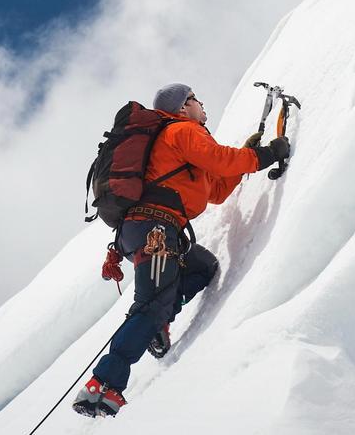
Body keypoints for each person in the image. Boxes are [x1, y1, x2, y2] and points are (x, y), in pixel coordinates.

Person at [73, 83, 290, 417]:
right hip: (155, 231)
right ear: (183, 106)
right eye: (196, 99)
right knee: (149, 305)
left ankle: (157, 326)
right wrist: (266, 154)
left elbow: (215, 190)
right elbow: (221, 158)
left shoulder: (174, 143)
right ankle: (103, 385)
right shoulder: (182, 131)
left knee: (202, 267)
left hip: (142, 233)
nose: (202, 105)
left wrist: (249, 157)